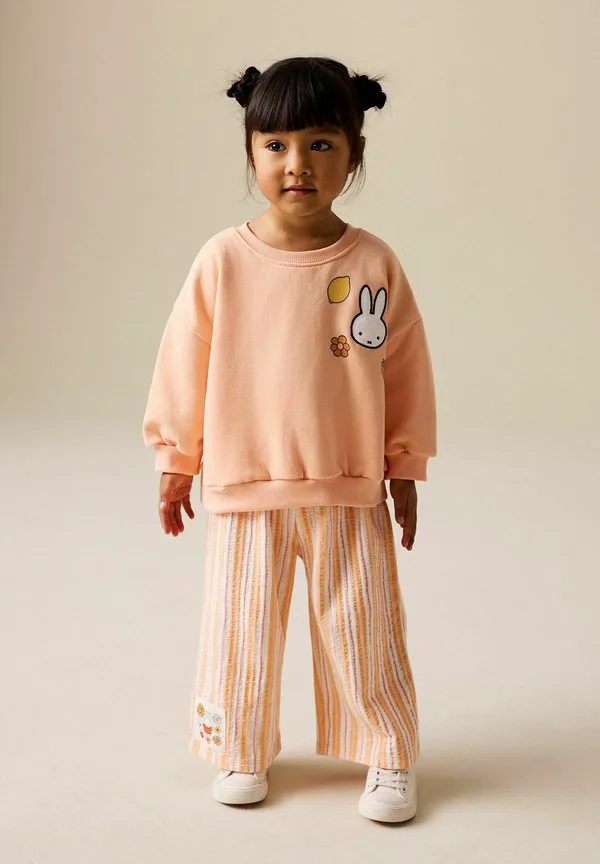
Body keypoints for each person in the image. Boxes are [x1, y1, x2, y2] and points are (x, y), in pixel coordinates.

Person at [142, 56, 437, 823]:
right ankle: (240, 748)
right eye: (275, 145)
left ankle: (390, 753)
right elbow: (183, 361)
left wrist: (404, 467)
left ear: (354, 153)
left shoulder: (373, 262)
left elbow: (405, 370)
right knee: (238, 632)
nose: (296, 163)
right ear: (250, 152)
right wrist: (177, 460)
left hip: (348, 484)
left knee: (365, 629)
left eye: (320, 144)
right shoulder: (223, 259)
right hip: (245, 481)